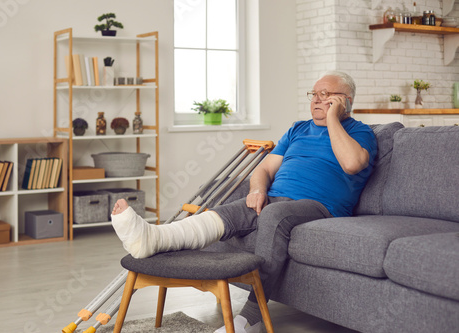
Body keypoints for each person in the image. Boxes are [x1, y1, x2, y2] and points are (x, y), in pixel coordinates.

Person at [111, 71, 378, 333]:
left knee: (275, 215)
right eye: (314, 94)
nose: (317, 100)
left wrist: (333, 118)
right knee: (227, 211)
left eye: (326, 95)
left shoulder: (360, 132)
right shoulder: (298, 129)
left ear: (346, 100)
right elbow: (263, 170)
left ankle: (251, 318)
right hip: (275, 198)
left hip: (320, 207)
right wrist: (258, 190)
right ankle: (152, 238)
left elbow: (352, 163)